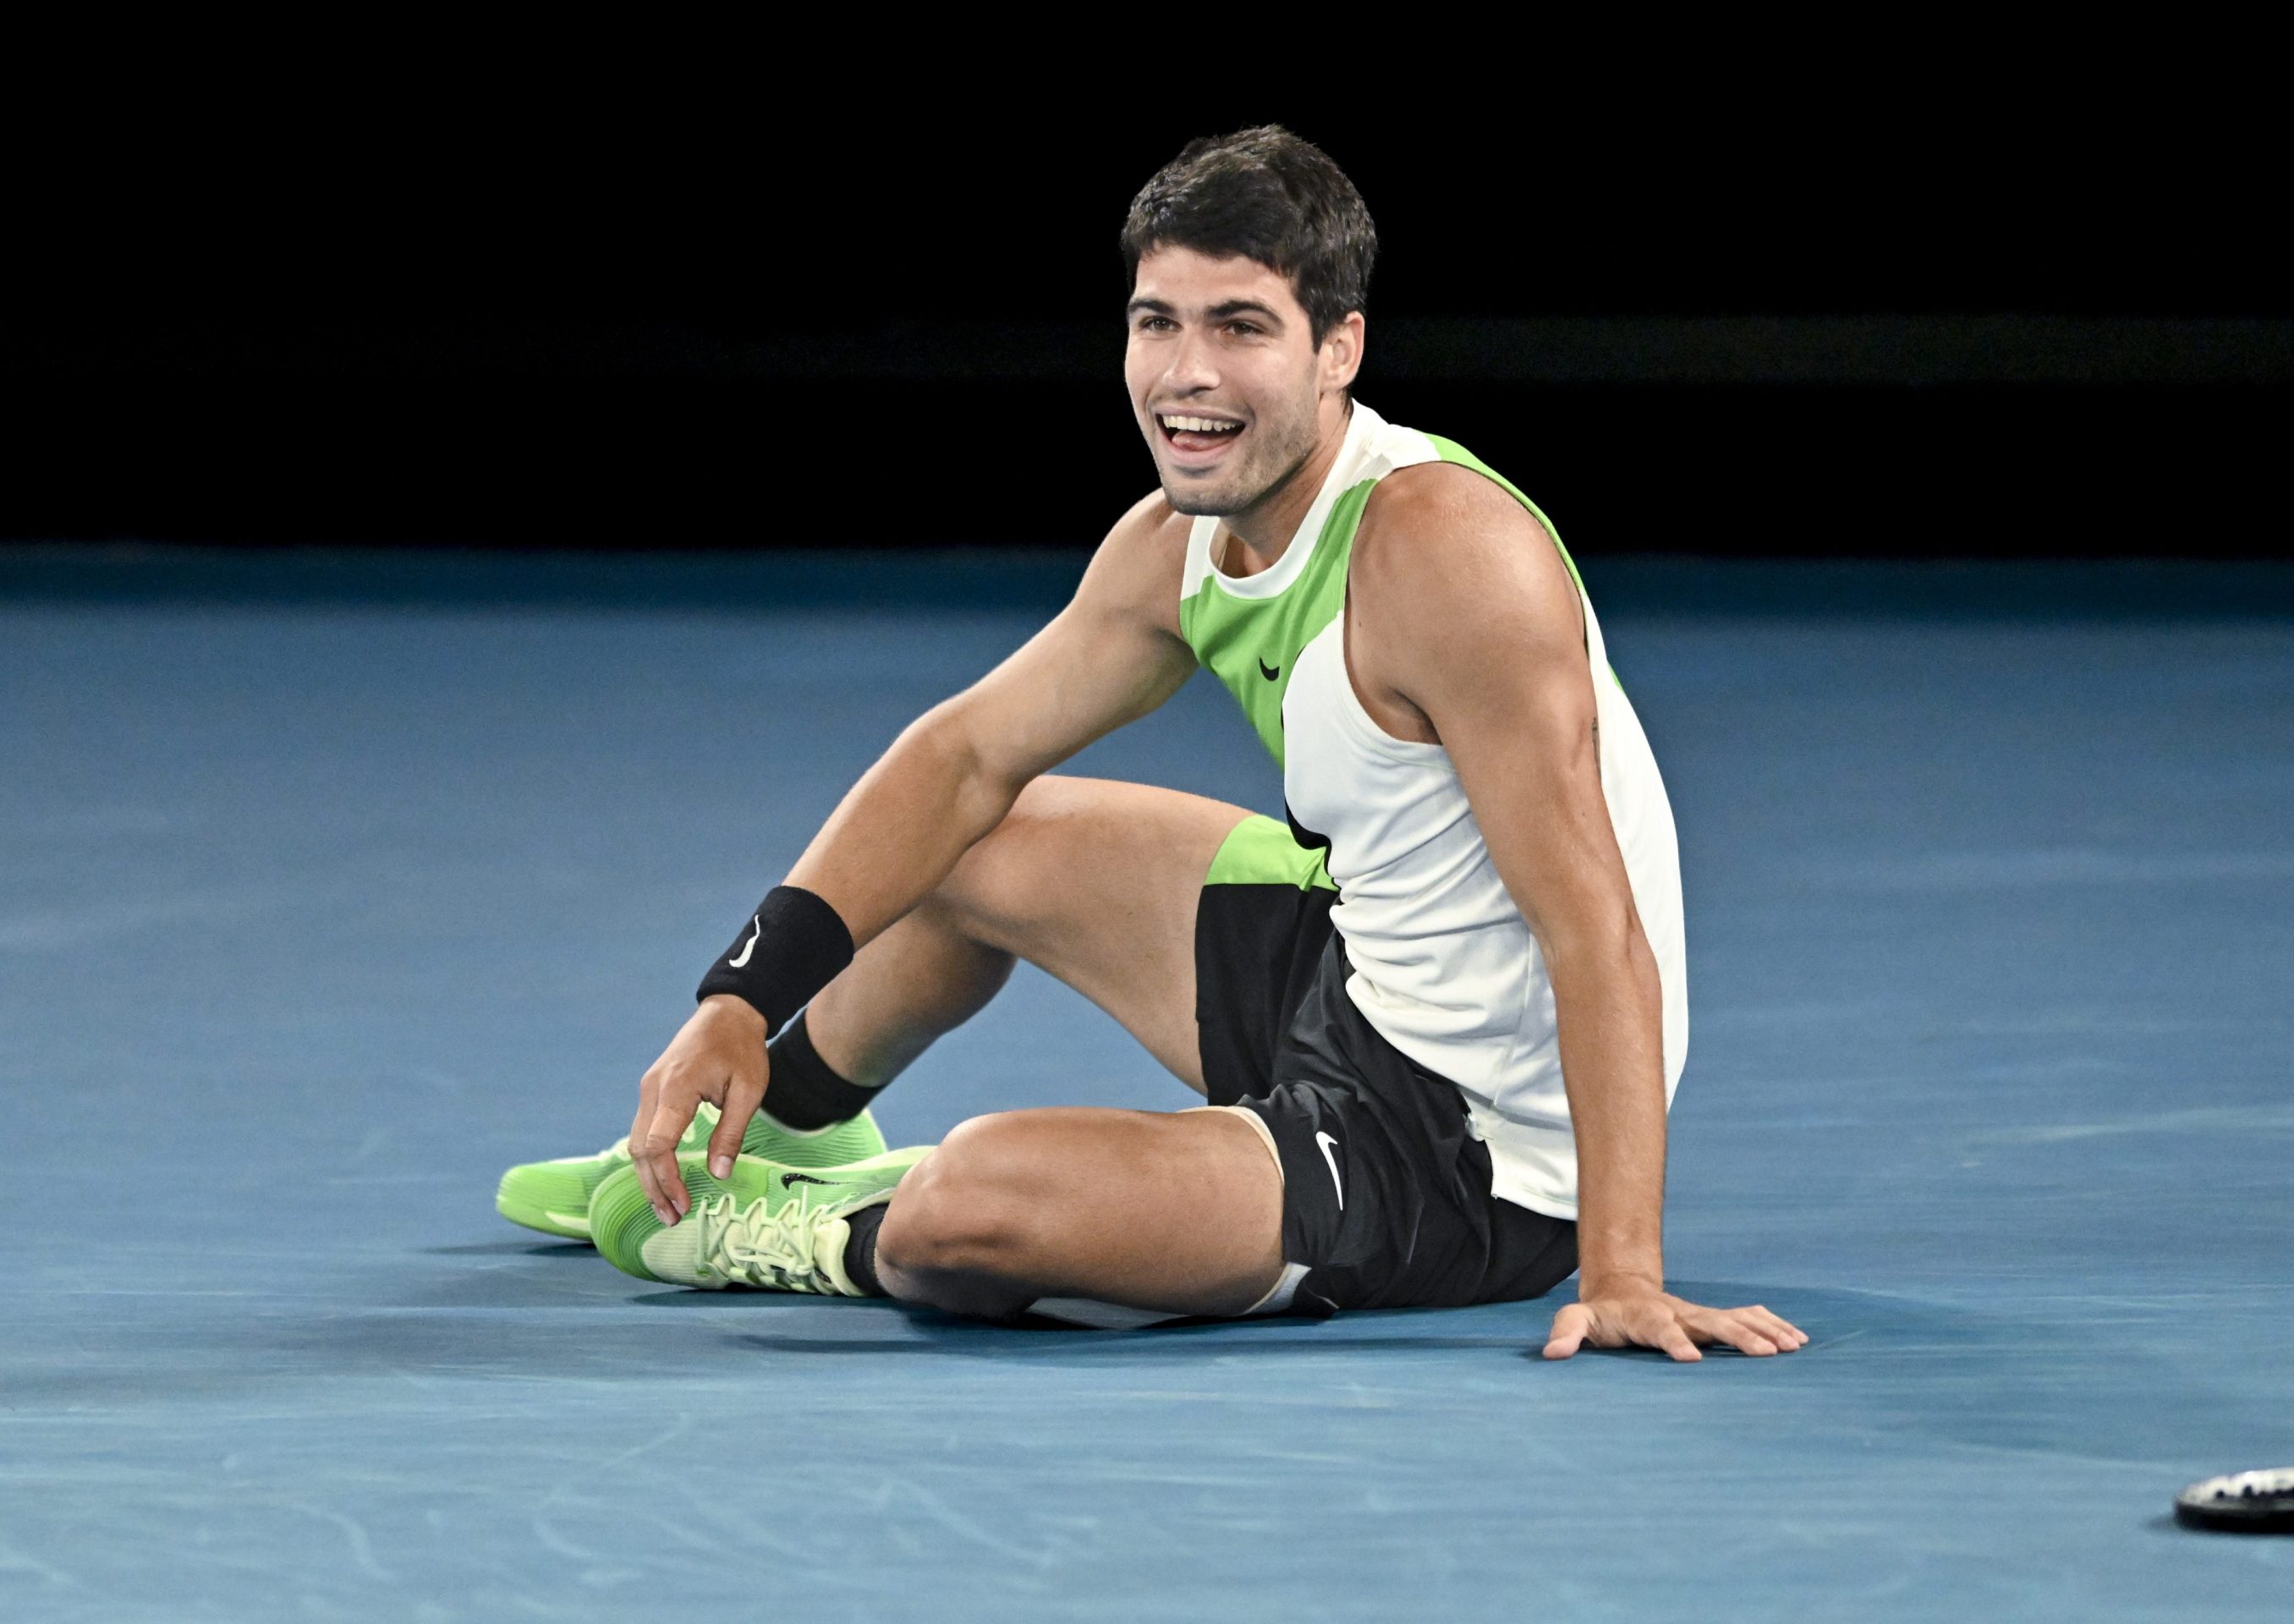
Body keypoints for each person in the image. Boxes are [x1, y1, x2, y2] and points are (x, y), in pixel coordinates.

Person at [497, 126, 1807, 1361]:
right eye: (1157, 322)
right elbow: (961, 762)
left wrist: (1621, 1270)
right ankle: (767, 1135)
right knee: (980, 835)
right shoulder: (1178, 542)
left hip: (1466, 1149)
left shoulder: (1443, 555)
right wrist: (736, 1002)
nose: (1188, 373)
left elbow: (1596, 926)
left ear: (1339, 349)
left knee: (972, 1206)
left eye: (1241, 327)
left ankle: (819, 1235)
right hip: (1356, 968)